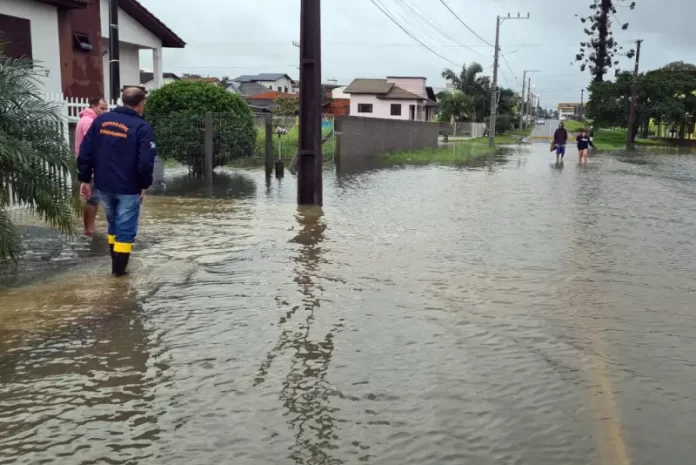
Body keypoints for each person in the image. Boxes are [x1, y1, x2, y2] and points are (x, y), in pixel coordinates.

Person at [77, 87, 156, 276]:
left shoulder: (101, 121)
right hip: (128, 186)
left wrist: (85, 178)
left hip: (104, 184)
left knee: (113, 223)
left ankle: (115, 266)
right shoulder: (142, 127)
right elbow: (145, 161)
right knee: (125, 229)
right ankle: (119, 276)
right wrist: (143, 185)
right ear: (140, 104)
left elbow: (85, 151)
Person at [75, 97, 109, 237]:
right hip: (92, 166)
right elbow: (96, 145)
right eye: (102, 108)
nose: (105, 111)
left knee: (94, 198)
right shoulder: (90, 122)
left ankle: (90, 229)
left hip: (89, 164)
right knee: (93, 198)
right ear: (93, 106)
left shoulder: (85, 120)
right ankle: (89, 230)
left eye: (106, 108)